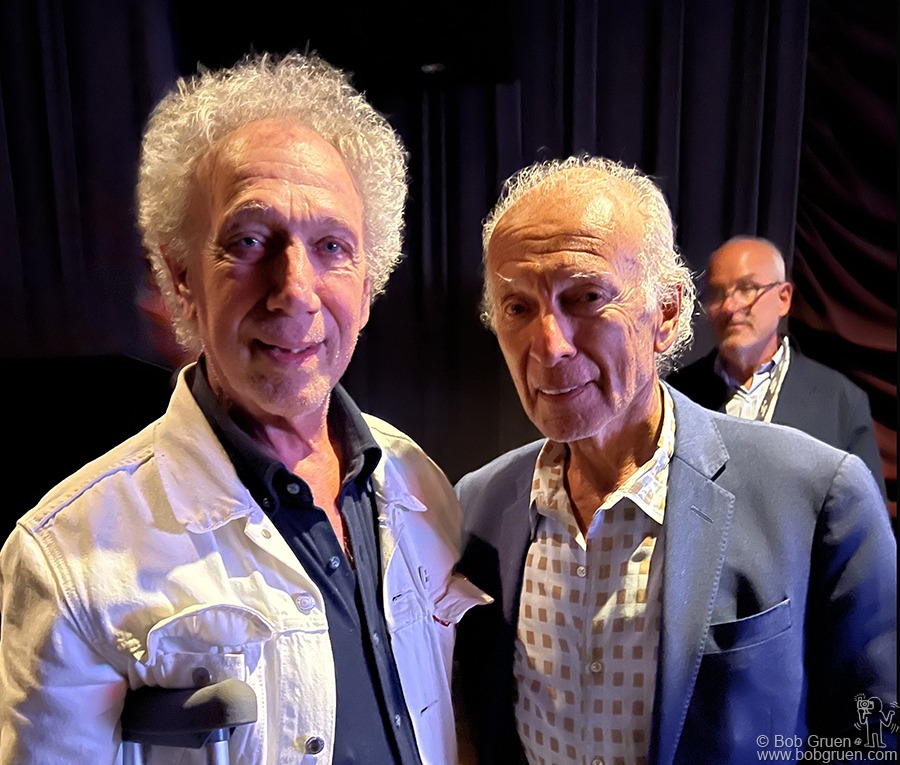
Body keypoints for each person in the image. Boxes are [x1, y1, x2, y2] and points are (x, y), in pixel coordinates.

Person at [0, 52, 488, 765]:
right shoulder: (69, 557)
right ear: (180, 275)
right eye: (249, 241)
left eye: (332, 246)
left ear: (368, 278)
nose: (294, 289)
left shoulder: (420, 483)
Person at [452, 156, 896, 765]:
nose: (549, 347)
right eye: (518, 307)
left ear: (664, 314)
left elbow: (870, 736)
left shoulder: (817, 495)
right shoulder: (477, 506)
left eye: (584, 297)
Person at [666, 235, 887, 499]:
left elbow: (864, 517)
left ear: (784, 298)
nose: (729, 306)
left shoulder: (839, 401)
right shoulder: (677, 395)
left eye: (747, 289)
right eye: (717, 293)